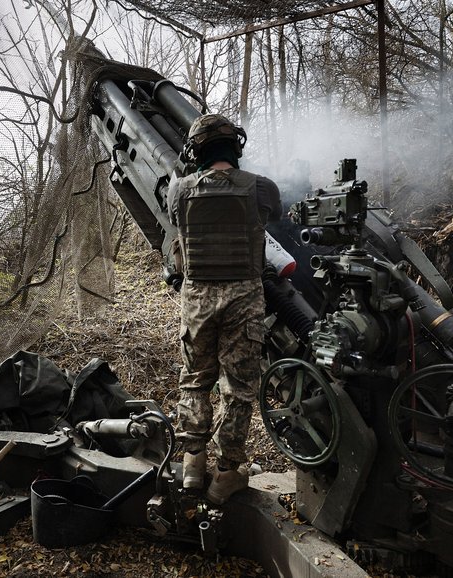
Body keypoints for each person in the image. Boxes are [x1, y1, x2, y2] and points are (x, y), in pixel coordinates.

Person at [167, 114, 282, 505]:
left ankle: (194, 464)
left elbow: (175, 225)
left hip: (197, 299)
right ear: (237, 146)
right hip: (243, 299)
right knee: (238, 389)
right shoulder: (261, 188)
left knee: (195, 378)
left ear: (195, 150)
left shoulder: (178, 191)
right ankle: (227, 473)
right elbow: (276, 216)